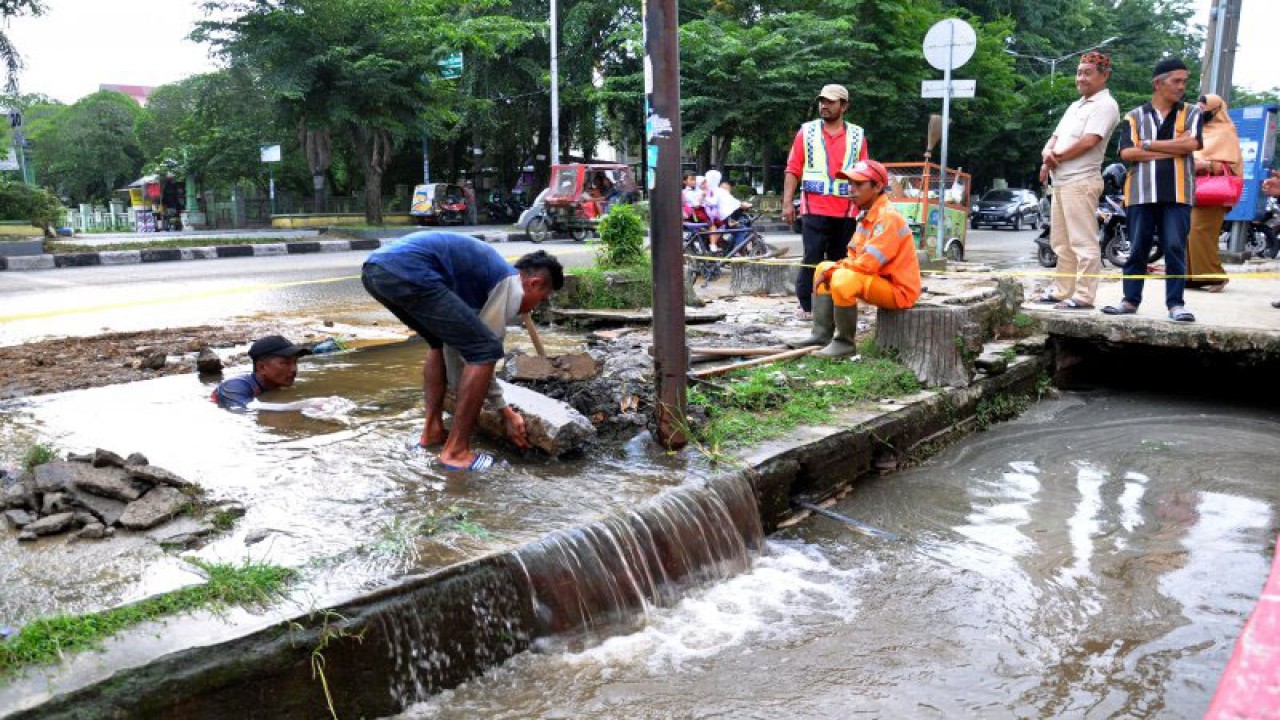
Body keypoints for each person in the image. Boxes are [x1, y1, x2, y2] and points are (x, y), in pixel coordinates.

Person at [361, 231, 564, 472]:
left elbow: (452, 348)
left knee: (437, 340)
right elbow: (480, 353)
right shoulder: (509, 285)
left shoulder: (484, 279)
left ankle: (433, 431)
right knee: (485, 348)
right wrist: (504, 410)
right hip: (408, 269)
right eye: (543, 297)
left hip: (375, 270)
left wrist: (464, 386)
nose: (537, 305)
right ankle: (456, 452)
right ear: (534, 284)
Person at [1102, 57, 1203, 323]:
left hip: (1178, 192)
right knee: (1137, 248)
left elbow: (1191, 144)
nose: (1182, 86)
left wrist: (1146, 145)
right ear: (1158, 84)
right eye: (1176, 81)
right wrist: (1172, 148)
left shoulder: (1192, 112)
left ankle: (1175, 304)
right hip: (1140, 192)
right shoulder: (1134, 116)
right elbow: (1126, 152)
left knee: (1174, 247)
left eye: (1184, 81)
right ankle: (1129, 300)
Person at [793, 160, 921, 357]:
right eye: (850, 184)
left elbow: (868, 264)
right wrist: (832, 268)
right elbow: (853, 255)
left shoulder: (888, 217)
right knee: (822, 267)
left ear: (877, 187)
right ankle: (821, 335)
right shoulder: (867, 216)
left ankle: (845, 344)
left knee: (842, 278)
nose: (851, 189)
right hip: (878, 281)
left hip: (898, 291)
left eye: (858, 184)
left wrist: (835, 270)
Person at [1035, 51, 1120, 310]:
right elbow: (1055, 136)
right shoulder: (1076, 105)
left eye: (1087, 73)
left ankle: (1083, 296)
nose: (1081, 78)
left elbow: (1090, 140)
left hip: (1081, 181)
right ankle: (1063, 290)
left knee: (1083, 241)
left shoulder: (1106, 105)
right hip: (1061, 181)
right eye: (1079, 72)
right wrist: (1046, 156)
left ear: (1104, 76)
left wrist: (1055, 157)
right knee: (1061, 241)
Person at [781, 83, 869, 321]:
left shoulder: (857, 135)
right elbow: (793, 168)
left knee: (840, 259)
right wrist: (787, 202)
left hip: (847, 211)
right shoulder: (807, 132)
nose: (824, 105)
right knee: (812, 257)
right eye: (822, 101)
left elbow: (864, 174)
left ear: (844, 106)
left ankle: (834, 303)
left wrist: (865, 208)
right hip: (814, 208)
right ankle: (807, 306)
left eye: (831, 101)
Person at [1186, 93, 1242, 293]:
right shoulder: (1197, 131)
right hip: (1193, 189)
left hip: (1213, 192)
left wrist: (1204, 164)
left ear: (1216, 110)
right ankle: (1192, 277)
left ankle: (1216, 275)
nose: (1200, 112)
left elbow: (1229, 166)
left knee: (1200, 232)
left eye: (1204, 109)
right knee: (1187, 232)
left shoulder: (1226, 132)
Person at [212, 335, 313, 409]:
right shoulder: (234, 385)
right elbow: (246, 408)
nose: (294, 369)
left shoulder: (276, 384)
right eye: (285, 363)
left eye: (295, 362)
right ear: (261, 367)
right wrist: (306, 404)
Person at [702, 169, 744, 252]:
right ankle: (736, 252)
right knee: (741, 229)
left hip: (712, 217)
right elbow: (734, 203)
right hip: (716, 218)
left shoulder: (707, 190)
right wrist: (743, 204)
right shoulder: (718, 191)